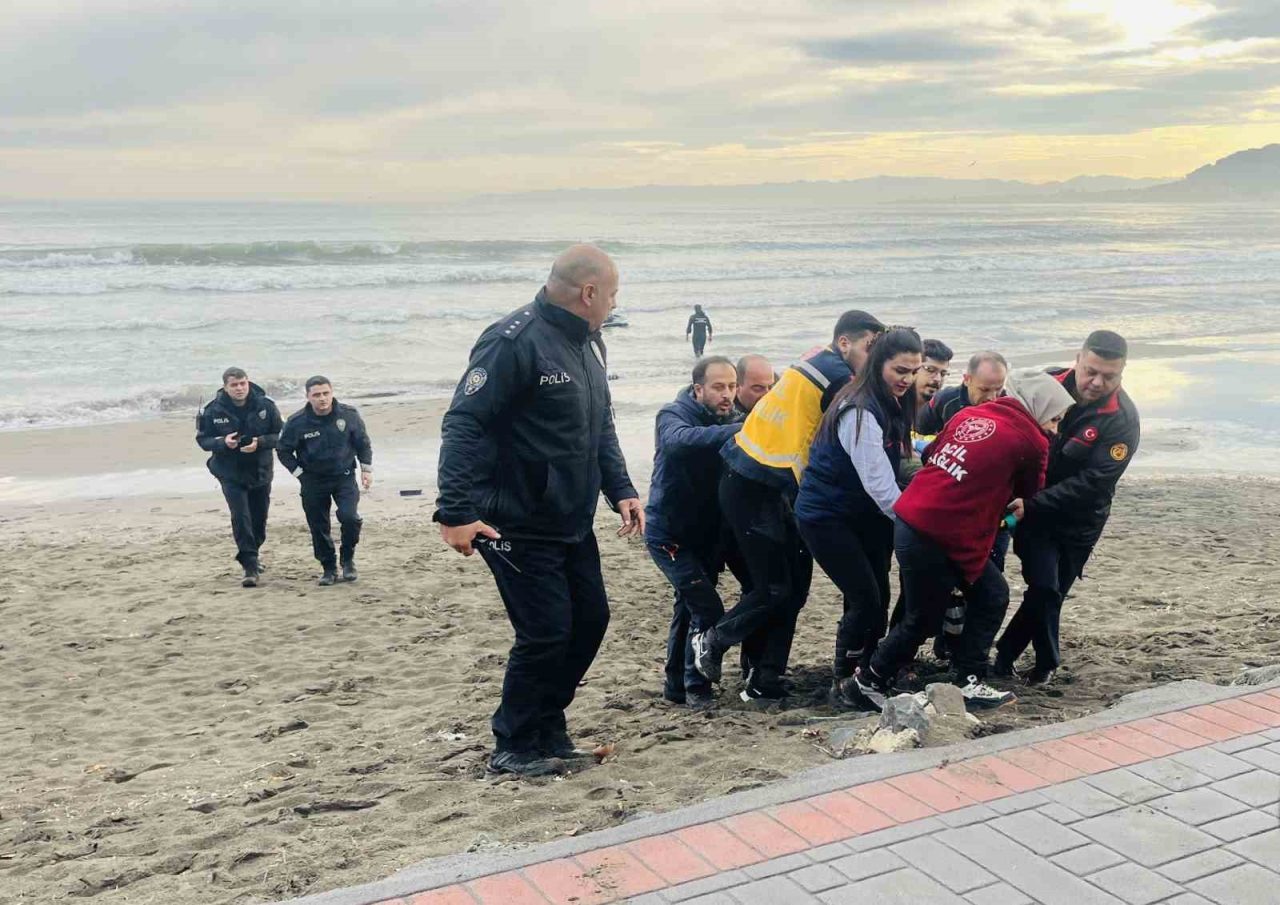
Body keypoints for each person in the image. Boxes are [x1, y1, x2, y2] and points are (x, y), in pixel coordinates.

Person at [434, 245, 643, 778]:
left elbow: (601, 423)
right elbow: (464, 423)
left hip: (569, 516)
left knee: (590, 620)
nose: (616, 302)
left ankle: (548, 727)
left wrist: (620, 489)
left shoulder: (591, 343)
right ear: (589, 293)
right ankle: (515, 742)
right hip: (515, 519)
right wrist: (453, 511)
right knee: (547, 632)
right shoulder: (513, 342)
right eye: (613, 292)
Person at [852, 369, 1076, 709]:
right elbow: (1028, 492)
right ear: (1037, 408)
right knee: (925, 616)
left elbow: (930, 456)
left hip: (910, 518)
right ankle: (868, 681)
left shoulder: (969, 414)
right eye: (1054, 419)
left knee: (989, 594)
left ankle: (968, 678)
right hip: (941, 534)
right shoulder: (1032, 442)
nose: (1054, 429)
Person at [692, 310, 885, 701]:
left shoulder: (818, 356)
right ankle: (712, 641)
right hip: (751, 484)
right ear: (845, 342)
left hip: (771, 482)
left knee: (794, 589)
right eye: (870, 348)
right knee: (776, 587)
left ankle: (765, 678)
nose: (874, 358)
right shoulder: (838, 377)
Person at [995, 331, 1140, 685]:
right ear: (1078, 358)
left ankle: (1019, 657)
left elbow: (1094, 483)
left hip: (1079, 519)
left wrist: (1033, 503)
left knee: (1051, 592)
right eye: (1091, 371)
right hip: (1033, 513)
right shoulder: (1045, 385)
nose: (1097, 382)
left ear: (1122, 373)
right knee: (1044, 587)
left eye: (1109, 376)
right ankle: (1026, 658)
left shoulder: (1122, 419)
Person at [794, 329, 922, 706]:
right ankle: (842, 681)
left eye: (914, 371)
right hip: (825, 514)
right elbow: (879, 484)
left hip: (860, 513)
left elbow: (900, 455)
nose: (908, 379)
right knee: (864, 597)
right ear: (878, 363)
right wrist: (915, 525)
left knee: (879, 595)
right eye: (900, 370)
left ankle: (866, 673)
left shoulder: (894, 401)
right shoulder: (859, 409)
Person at [645, 356, 743, 709]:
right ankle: (696, 686)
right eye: (718, 387)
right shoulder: (672, 414)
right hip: (667, 533)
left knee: (687, 609)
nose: (727, 394)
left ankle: (676, 686)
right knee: (706, 607)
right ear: (697, 388)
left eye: (732, 386)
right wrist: (743, 430)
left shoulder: (732, 417)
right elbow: (680, 442)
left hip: (705, 535)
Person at [277, 377, 373, 586]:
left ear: (332, 392)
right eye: (316, 395)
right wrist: (300, 474)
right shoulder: (297, 422)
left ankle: (347, 559)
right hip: (313, 480)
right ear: (308, 397)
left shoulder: (349, 415)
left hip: (344, 477)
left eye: (325, 393)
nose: (322, 399)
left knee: (350, 518)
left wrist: (366, 469)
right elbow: (283, 450)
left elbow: (363, 443)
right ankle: (328, 568)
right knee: (318, 526)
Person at [195, 367, 283, 587]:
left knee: (259, 519)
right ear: (225, 387)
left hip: (260, 470)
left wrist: (260, 443)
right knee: (240, 516)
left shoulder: (266, 405)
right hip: (229, 471)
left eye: (242, 383)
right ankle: (250, 566)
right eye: (234, 385)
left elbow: (281, 435)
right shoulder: (212, 410)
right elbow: (203, 440)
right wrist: (222, 443)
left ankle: (254, 552)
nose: (239, 388)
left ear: (248, 382)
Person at [916, 351, 1008, 435]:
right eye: (984, 390)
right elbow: (921, 432)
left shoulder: (1008, 406)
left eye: (998, 389)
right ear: (967, 379)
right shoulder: (945, 400)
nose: (992, 398)